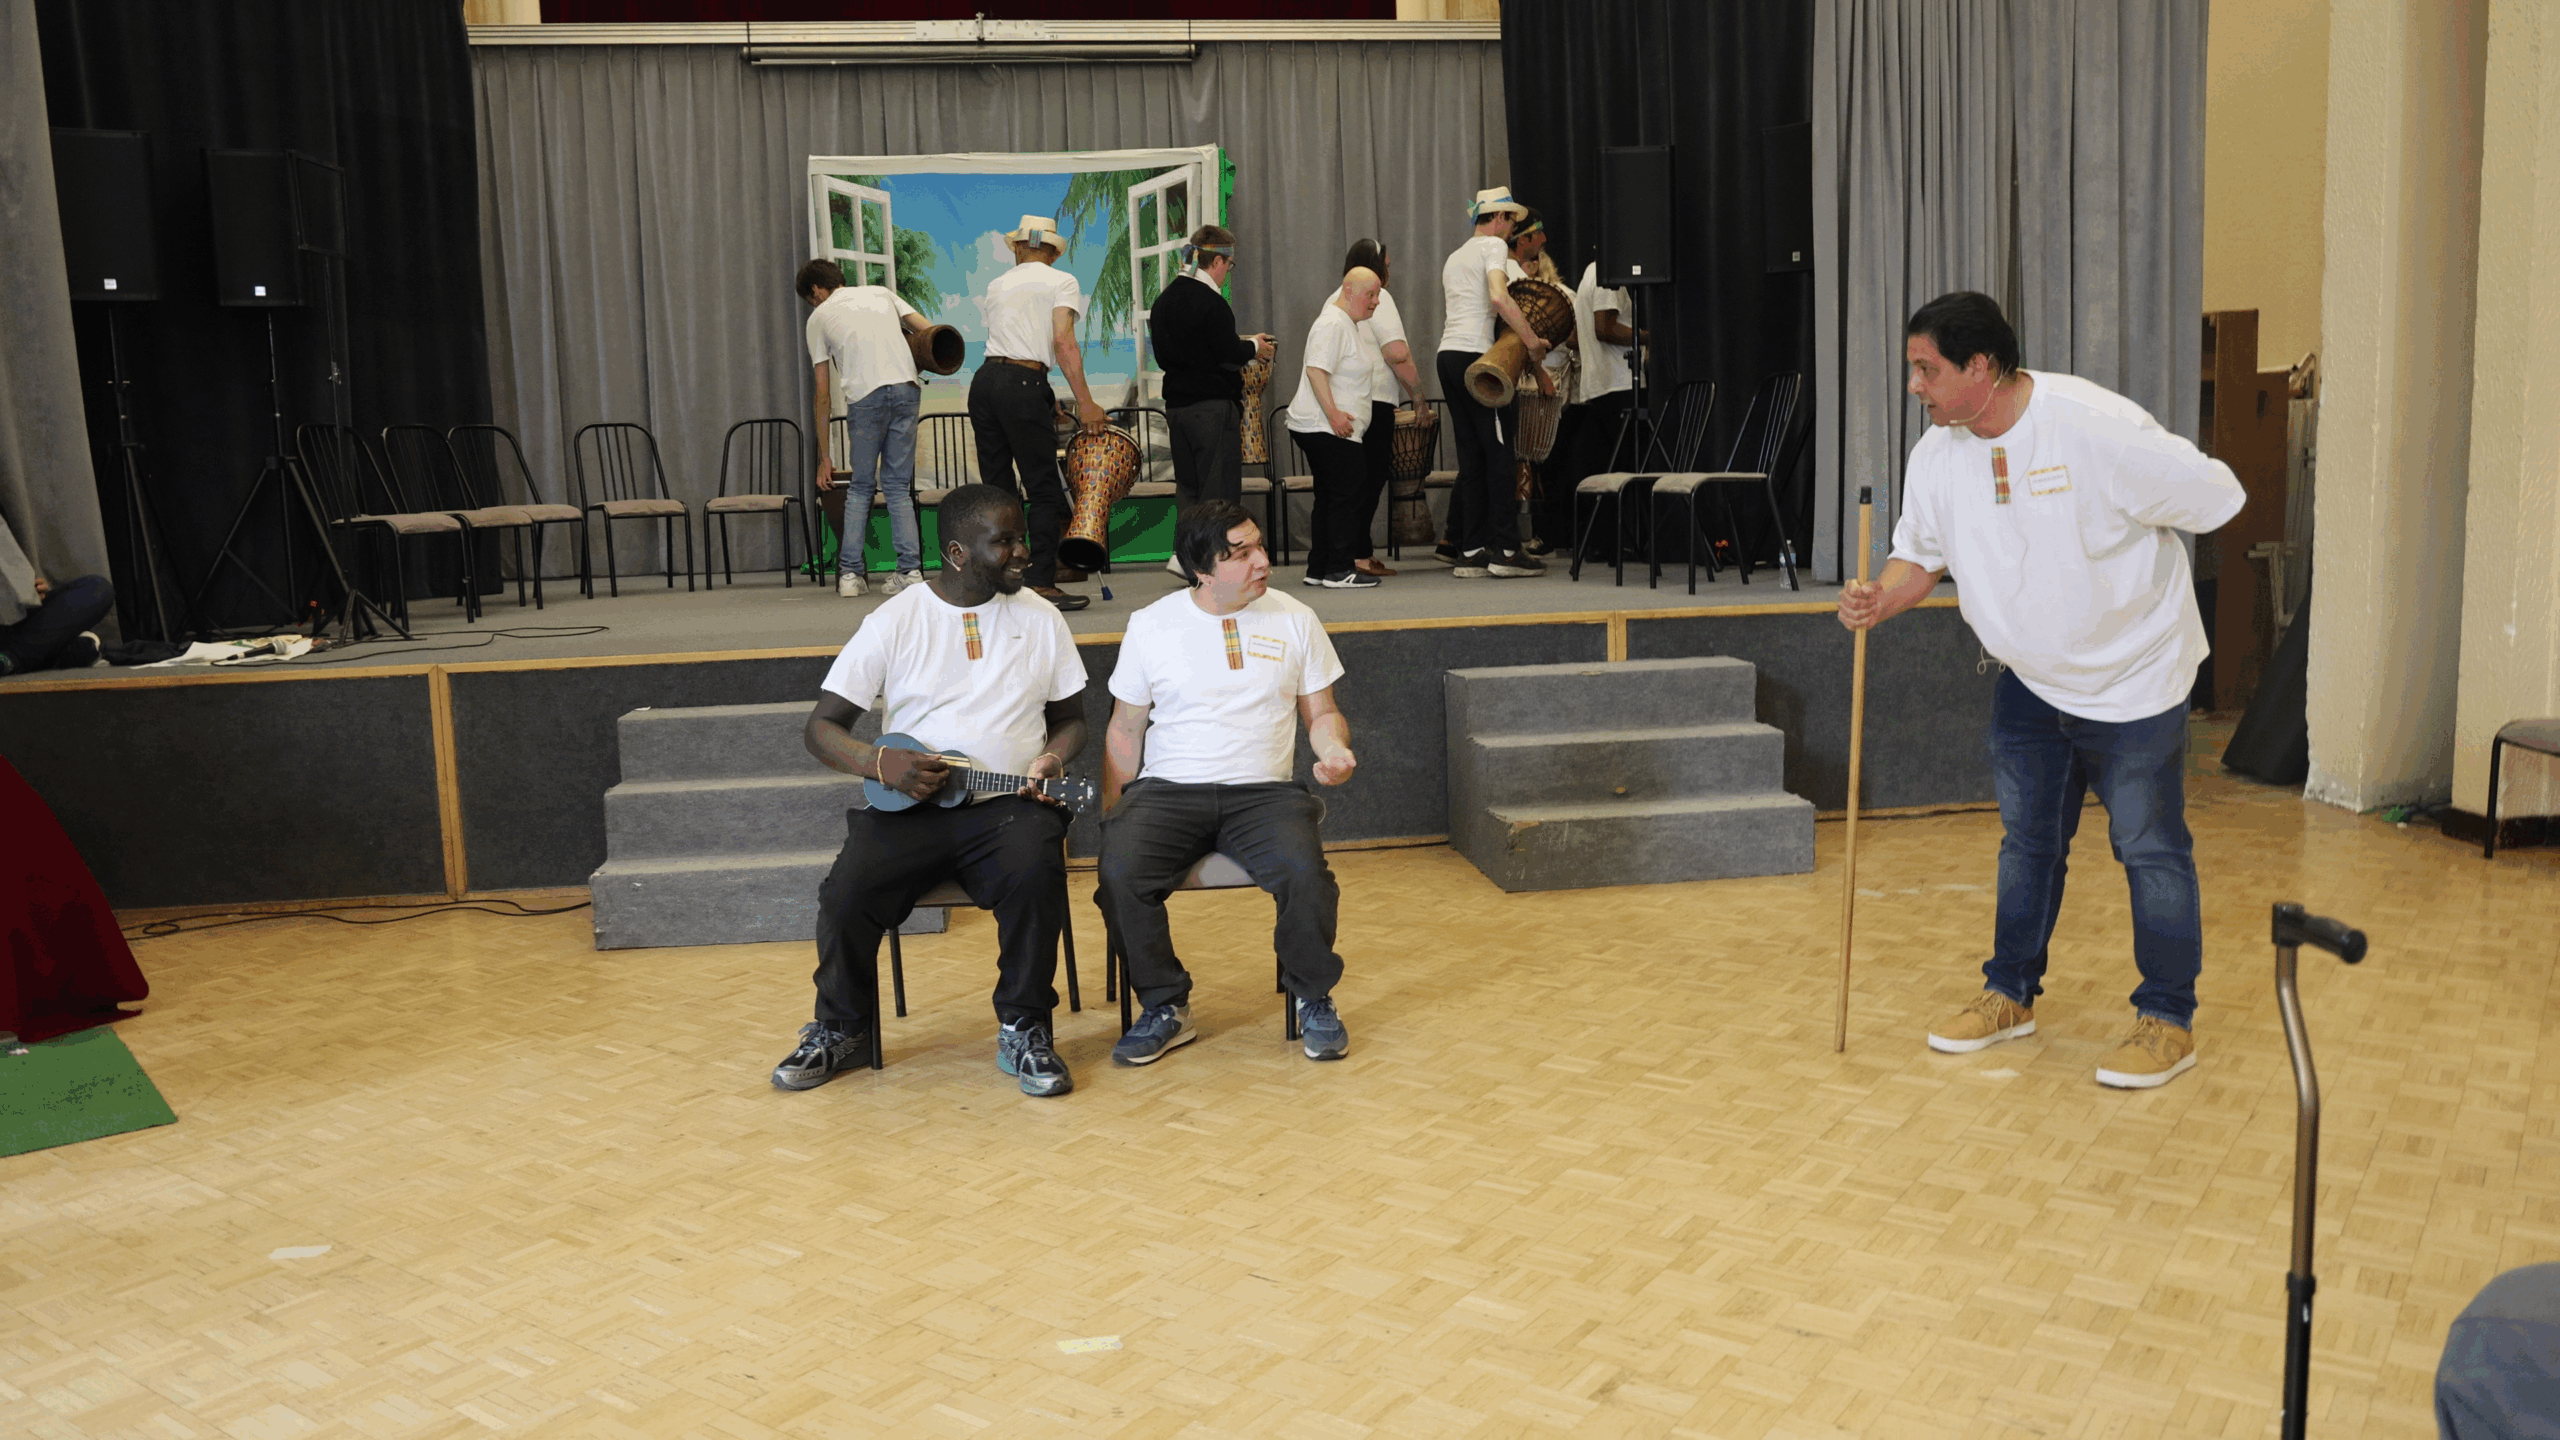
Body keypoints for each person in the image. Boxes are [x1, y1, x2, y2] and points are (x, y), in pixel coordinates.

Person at [1837, 291, 2245, 1089]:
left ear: (1980, 368)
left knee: (2149, 849)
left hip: (2133, 683)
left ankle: (2168, 1020)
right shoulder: (1938, 453)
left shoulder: (2094, 425)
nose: (1914, 385)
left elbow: (2218, 495)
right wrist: (1881, 598)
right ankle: (2010, 995)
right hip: (2031, 684)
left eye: (1926, 369)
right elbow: (1920, 555)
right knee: (2027, 845)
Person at [774, 483, 1093, 1098]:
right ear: (956, 553)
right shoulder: (895, 620)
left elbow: (1072, 719)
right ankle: (842, 1029)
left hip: (1008, 807)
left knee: (1035, 872)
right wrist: (877, 762)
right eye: (1004, 542)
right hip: (911, 810)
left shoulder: (1041, 617)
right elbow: (821, 728)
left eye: (1021, 537)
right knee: (845, 892)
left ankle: (1025, 1026)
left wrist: (1053, 756)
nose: (1022, 552)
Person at [1097, 500, 1359, 1065]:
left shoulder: (1296, 617)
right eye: (1240, 554)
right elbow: (1125, 728)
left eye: (1259, 545)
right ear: (1201, 569)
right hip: (1168, 789)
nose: (1262, 561)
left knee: (1306, 875)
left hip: (1263, 793)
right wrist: (1113, 812)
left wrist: (1335, 750)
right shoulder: (1152, 624)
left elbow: (1321, 712)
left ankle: (1312, 996)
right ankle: (1166, 1005)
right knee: (1119, 874)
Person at [968, 216, 1105, 613]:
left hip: (986, 381)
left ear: (1018, 248)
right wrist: (1086, 401)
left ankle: (1002, 581)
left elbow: (1012, 344)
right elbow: (1062, 342)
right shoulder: (1062, 281)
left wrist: (1045, 396)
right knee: (1043, 488)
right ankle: (1041, 583)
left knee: (998, 490)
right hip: (1023, 383)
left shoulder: (998, 284)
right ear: (1053, 252)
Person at [798, 258, 935, 599]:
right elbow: (930, 331)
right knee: (898, 486)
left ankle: (850, 575)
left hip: (865, 398)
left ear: (816, 290)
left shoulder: (818, 318)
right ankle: (910, 571)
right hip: (906, 388)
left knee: (860, 487)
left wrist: (825, 457)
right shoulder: (881, 293)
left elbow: (822, 393)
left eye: (810, 299)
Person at [1435, 186, 1551, 580]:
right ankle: (1505, 550)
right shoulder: (1493, 247)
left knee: (1471, 457)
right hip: (1479, 359)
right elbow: (1500, 298)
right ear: (1499, 217)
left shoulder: (1455, 255)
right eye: (1511, 221)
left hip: (1448, 357)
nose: (1512, 230)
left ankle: (1471, 551)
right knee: (1501, 455)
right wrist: (1532, 342)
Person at [1148, 224, 1274, 510]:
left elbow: (1165, 357)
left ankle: (1188, 542)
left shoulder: (1162, 302)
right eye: (1229, 265)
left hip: (1177, 411)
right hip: (1211, 411)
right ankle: (1217, 542)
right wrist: (1254, 347)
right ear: (1217, 261)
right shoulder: (1212, 303)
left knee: (1189, 493)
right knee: (1218, 496)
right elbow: (1228, 357)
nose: (1227, 272)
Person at [1529, 257, 1640, 556]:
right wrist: (1646, 337)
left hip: (1587, 387)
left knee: (1589, 466)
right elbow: (1602, 328)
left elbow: (1576, 338)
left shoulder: (1573, 290)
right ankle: (1608, 541)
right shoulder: (1605, 274)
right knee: (1614, 467)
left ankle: (1593, 540)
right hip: (1610, 383)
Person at [1285, 267, 1387, 590]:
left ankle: (1320, 567)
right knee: (1347, 494)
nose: (1376, 302)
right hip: (1328, 427)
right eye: (1370, 294)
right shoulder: (1332, 322)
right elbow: (1316, 370)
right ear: (1348, 290)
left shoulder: (1344, 323)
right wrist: (1334, 415)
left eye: (1377, 295)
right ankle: (1340, 568)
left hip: (1327, 427)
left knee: (1330, 496)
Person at [1337, 239, 1428, 579]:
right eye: (1386, 265)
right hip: (1373, 401)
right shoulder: (1380, 298)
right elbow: (1397, 353)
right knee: (1371, 479)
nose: (1389, 272)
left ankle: (1356, 551)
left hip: (1345, 402)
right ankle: (1358, 556)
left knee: (1352, 481)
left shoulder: (1337, 298)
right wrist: (1417, 397)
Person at [0, 518, 110, 676]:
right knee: (81, 646)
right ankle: (16, 658)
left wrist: (28, 590)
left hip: (14, 622)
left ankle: (18, 657)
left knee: (97, 587)